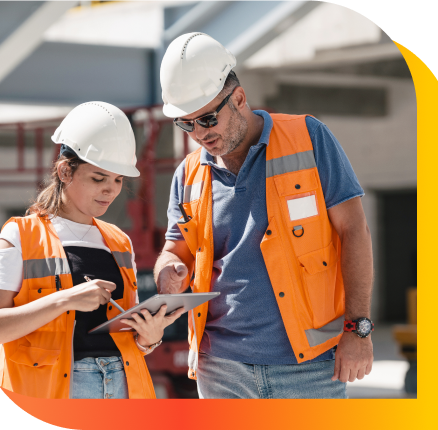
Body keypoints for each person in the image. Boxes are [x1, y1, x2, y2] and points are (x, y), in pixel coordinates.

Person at [154, 33, 374, 399]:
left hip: (311, 368)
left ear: (238, 99)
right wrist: (168, 274)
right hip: (220, 369)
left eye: (208, 119)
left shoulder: (309, 138)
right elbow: (174, 251)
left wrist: (358, 329)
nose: (200, 134)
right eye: (186, 124)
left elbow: (354, 231)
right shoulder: (188, 174)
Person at [0, 102, 185, 399]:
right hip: (56, 393)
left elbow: (130, 338)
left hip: (123, 388)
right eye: (99, 178)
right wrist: (65, 299)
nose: (111, 190)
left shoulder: (120, 242)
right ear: (65, 171)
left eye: (117, 180)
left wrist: (149, 338)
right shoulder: (20, 235)